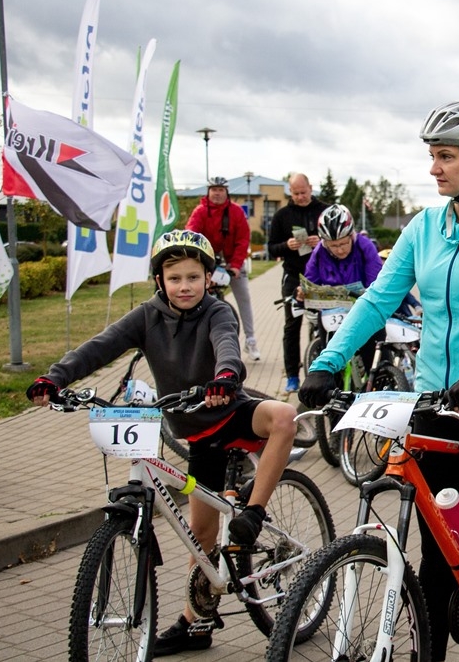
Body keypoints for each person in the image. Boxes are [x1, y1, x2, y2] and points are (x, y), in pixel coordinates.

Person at [298, 100, 459, 660]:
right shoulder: (423, 227)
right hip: (438, 403)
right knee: (435, 554)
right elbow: (377, 300)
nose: (433, 168)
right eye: (432, 156)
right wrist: (327, 362)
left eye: (444, 156)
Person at [26, 230, 307, 657]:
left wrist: (227, 376)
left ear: (209, 278)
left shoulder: (217, 311)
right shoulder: (146, 316)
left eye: (193, 277)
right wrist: (56, 377)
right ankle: (196, 624)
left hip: (231, 411)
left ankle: (254, 510)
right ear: (160, 280)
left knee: (285, 416)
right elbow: (99, 347)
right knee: (201, 536)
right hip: (196, 435)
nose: (184, 286)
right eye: (175, 278)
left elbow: (226, 345)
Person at [299, 203, 385, 371]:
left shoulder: (365, 246)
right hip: (333, 310)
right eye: (333, 245)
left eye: (344, 244)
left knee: (374, 348)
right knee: (326, 343)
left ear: (351, 236)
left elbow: (376, 281)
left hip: (362, 308)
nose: (339, 250)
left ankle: (378, 377)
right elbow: (310, 280)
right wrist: (303, 292)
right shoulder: (320, 251)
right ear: (324, 242)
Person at [185, 176, 261, 361]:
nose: (217, 193)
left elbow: (243, 239)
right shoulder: (200, 211)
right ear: (208, 192)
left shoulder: (235, 212)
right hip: (207, 261)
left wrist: (235, 265)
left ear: (226, 192)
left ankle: (250, 340)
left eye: (221, 190)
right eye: (214, 189)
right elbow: (191, 234)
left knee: (243, 297)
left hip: (231, 261)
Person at [266, 173, 329, 393]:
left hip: (321, 276)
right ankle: (292, 375)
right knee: (292, 326)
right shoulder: (282, 215)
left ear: (311, 188)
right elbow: (271, 247)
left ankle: (324, 371)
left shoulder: (324, 210)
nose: (300, 197)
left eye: (303, 192)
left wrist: (321, 241)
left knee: (325, 323)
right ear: (289, 193)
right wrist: (287, 245)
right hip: (293, 276)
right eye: (295, 193)